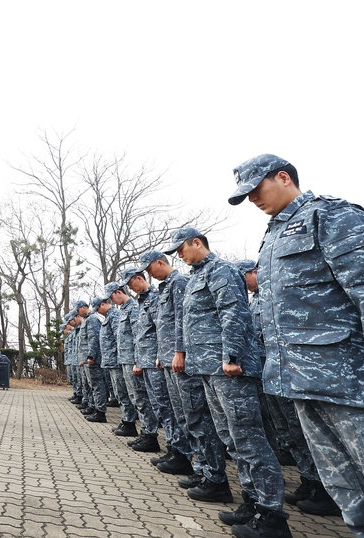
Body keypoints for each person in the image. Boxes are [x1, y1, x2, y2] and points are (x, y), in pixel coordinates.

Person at [230, 153, 364, 537]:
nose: (252, 200)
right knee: (353, 500)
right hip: (306, 386)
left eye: (255, 190)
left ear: (283, 177)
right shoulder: (275, 235)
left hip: (360, 388)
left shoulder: (333, 218)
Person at [163, 227, 289, 537]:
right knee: (231, 438)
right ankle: (252, 501)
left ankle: (272, 514)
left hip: (229, 368)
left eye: (181, 248)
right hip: (207, 369)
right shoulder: (196, 276)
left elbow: (234, 312)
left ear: (197, 242)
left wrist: (232, 355)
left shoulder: (222, 270)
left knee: (249, 438)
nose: (178, 255)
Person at [237, 259, 339, 518]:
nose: (243, 283)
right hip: (266, 370)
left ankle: (323, 488)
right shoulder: (255, 300)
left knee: (300, 428)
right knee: (286, 430)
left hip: (288, 371)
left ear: (255, 272)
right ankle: (308, 481)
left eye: (244, 277)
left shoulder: (276, 296)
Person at [138, 250, 226, 491]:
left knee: (196, 416)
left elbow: (181, 321)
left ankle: (210, 472)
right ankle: (199, 467)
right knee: (183, 416)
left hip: (182, 360)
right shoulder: (167, 286)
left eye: (149, 269)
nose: (149, 274)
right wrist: (162, 355)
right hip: (169, 359)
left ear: (160, 263)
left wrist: (180, 351)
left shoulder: (179, 282)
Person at [126, 264, 192, 472]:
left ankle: (179, 450)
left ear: (138, 278)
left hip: (161, 359)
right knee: (161, 405)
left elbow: (163, 329)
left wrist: (161, 355)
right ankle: (174, 449)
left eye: (131, 283)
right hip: (153, 359)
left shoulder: (160, 294)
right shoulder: (147, 300)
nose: (131, 288)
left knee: (168, 406)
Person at [112, 270, 160, 453]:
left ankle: (149, 434)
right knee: (134, 396)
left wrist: (136, 360)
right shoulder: (136, 305)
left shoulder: (137, 305)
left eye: (130, 284)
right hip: (132, 358)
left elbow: (138, 335)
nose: (130, 288)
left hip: (142, 360)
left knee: (142, 398)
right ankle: (146, 433)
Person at [99, 283, 138, 436]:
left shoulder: (132, 308)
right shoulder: (122, 311)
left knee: (133, 395)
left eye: (111, 297)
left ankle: (133, 425)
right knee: (122, 393)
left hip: (127, 359)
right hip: (121, 359)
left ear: (118, 292)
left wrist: (136, 359)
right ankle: (127, 421)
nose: (111, 301)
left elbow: (135, 336)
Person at [82, 297, 109, 423]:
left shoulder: (92, 319)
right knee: (94, 385)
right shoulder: (91, 319)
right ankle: (96, 409)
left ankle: (100, 412)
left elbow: (94, 338)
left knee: (97, 385)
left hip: (94, 358)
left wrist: (91, 356)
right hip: (92, 357)